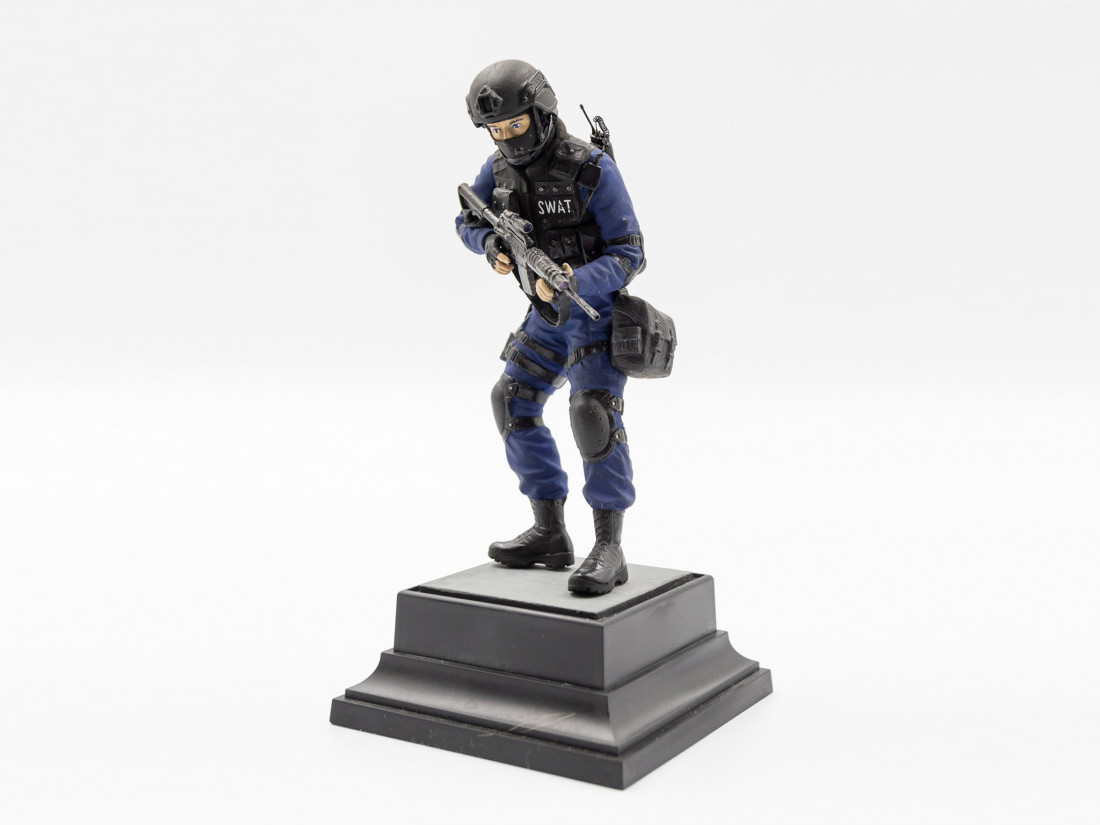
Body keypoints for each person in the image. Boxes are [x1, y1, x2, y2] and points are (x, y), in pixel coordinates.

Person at [455, 60, 645, 595]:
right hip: (545, 318)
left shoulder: (591, 169)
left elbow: (631, 253)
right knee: (511, 400)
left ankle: (609, 546)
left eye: (515, 124)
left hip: (594, 316)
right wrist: (492, 246)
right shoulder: (499, 168)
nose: (506, 137)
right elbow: (467, 219)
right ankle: (549, 532)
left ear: (541, 114)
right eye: (496, 129)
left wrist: (575, 280)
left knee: (592, 414)